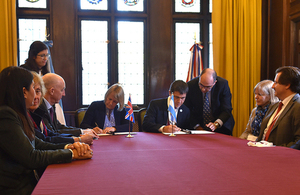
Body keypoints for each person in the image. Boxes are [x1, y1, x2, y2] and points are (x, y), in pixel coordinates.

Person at [0, 66, 93, 194]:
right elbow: (31, 157)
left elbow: (39, 143)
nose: (38, 94)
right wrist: (72, 154)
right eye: (34, 88)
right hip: (17, 188)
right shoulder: (6, 115)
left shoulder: (17, 113)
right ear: (24, 92)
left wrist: (69, 147)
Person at [29, 72, 93, 144]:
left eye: (38, 91)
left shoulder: (51, 106)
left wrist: (81, 133)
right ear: (52, 91)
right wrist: (78, 139)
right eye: (62, 90)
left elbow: (57, 128)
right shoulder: (38, 107)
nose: (64, 94)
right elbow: (48, 137)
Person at [257, 66, 300, 148]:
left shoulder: (298, 106)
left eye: (276, 83)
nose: (272, 86)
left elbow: (298, 142)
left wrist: (277, 150)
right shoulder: (275, 105)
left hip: (282, 157)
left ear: (287, 85)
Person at [184, 68, 235, 135]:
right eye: (201, 85)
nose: (203, 89)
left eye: (207, 87)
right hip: (198, 125)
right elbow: (187, 110)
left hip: (221, 125)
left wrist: (215, 124)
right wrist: (197, 127)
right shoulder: (191, 85)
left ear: (214, 83)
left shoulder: (222, 85)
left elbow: (227, 109)